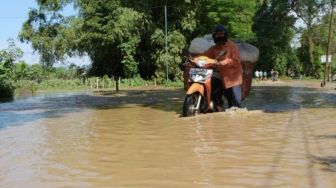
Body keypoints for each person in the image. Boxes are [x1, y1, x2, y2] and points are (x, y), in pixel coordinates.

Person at [203, 24, 243, 109]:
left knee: (235, 104)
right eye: (217, 34)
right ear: (214, 36)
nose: (219, 36)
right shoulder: (213, 48)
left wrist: (223, 62)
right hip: (221, 77)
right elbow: (204, 56)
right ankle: (215, 105)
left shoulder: (232, 46)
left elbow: (236, 61)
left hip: (233, 78)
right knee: (211, 86)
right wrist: (194, 59)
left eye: (221, 33)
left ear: (225, 34)